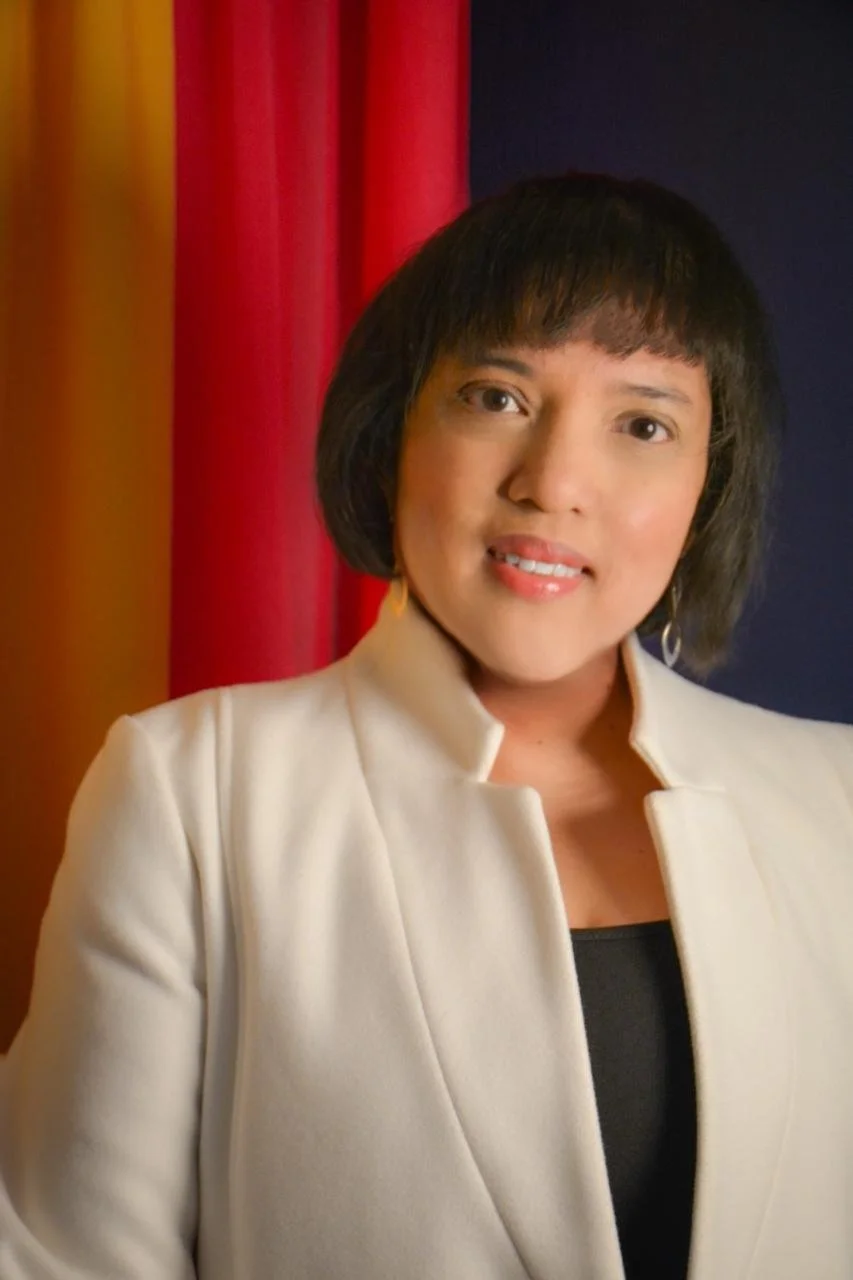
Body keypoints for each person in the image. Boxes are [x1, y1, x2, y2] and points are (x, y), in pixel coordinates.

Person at [1, 173, 851, 1280]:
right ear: (395, 422)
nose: (553, 483)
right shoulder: (192, 790)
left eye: (643, 422)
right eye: (497, 396)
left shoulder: (835, 800)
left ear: (708, 483)